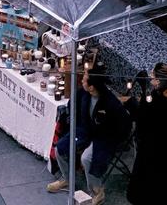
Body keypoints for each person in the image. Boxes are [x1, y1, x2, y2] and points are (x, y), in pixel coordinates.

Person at [48, 65, 131, 204]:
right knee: (60, 148)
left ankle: (97, 192)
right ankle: (67, 179)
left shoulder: (111, 103)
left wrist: (113, 140)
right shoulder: (83, 94)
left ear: (92, 87)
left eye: (85, 80)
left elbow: (124, 125)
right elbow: (71, 106)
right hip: (85, 130)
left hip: (104, 137)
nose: (82, 81)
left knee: (87, 158)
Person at [126, 63, 167, 205]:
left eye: (152, 77)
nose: (150, 79)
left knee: (150, 189)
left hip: (152, 149)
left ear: (158, 81)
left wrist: (133, 104)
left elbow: (141, 120)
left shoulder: (152, 99)